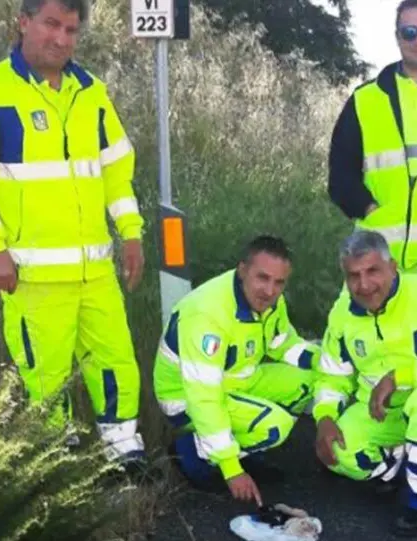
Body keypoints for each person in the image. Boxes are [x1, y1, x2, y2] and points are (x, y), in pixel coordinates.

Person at [0, 0, 148, 475]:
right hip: (32, 275)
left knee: (116, 362)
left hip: (95, 271)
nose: (61, 39)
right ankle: (58, 471)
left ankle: (123, 455)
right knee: (47, 377)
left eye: (72, 30)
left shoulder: (90, 91)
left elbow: (117, 168)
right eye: (51, 25)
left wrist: (132, 232)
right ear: (24, 23)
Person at [153, 235, 320, 505]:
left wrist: (329, 362)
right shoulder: (208, 314)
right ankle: (193, 456)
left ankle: (244, 451)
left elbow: (284, 344)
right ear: (242, 270)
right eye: (262, 278)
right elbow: (204, 397)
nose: (269, 290)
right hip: (185, 397)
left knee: (313, 380)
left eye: (279, 282)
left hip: (236, 378)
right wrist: (232, 470)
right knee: (275, 426)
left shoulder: (269, 302)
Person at [314, 230, 417, 535]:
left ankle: (414, 502)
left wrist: (398, 378)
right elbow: (332, 373)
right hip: (379, 412)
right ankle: (399, 462)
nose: (365, 285)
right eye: (353, 276)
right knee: (339, 454)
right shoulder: (342, 314)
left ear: (393, 266)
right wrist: (324, 417)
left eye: (373, 271)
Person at [328, 0, 417, 272]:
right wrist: (370, 210)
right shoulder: (366, 100)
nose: (416, 40)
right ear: (397, 37)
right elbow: (340, 176)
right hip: (380, 269)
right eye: (409, 32)